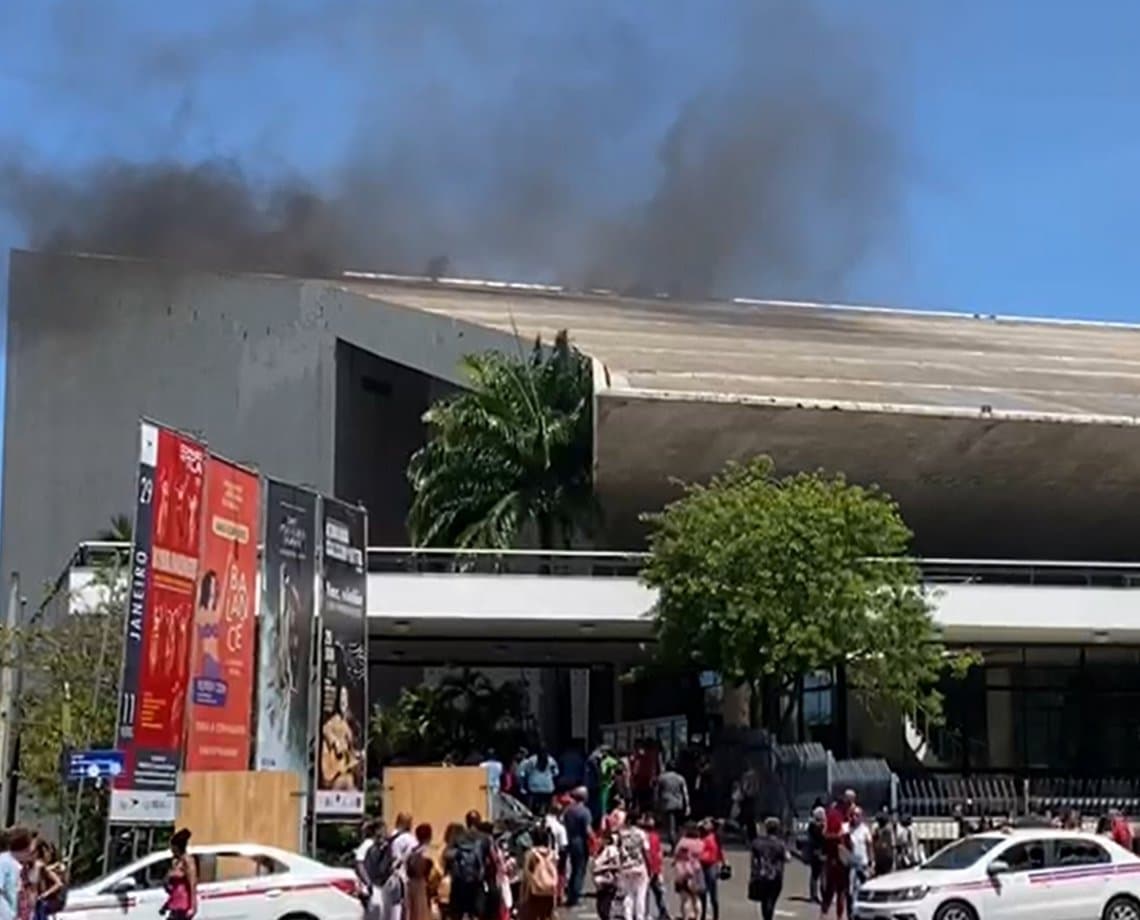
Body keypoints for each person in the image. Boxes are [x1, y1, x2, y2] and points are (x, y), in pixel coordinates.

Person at [444, 813, 492, 920]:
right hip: (477, 881)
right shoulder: (484, 838)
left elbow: (447, 854)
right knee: (476, 912)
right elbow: (491, 860)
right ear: (478, 822)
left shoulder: (457, 837)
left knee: (457, 913)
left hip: (459, 880)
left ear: (467, 821)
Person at [748, 818, 789, 920]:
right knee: (771, 899)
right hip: (776, 875)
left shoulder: (757, 842)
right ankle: (768, 917)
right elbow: (788, 858)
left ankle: (766, 917)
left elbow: (753, 860)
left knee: (764, 900)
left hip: (761, 874)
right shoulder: (780, 844)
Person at [381, 813, 418, 920]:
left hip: (387, 877)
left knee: (388, 908)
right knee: (400, 909)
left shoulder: (390, 837)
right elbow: (414, 856)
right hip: (402, 877)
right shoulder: (408, 839)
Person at [520, 826, 558, 920]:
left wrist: (523, 895)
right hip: (549, 889)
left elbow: (526, 874)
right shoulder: (552, 854)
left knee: (533, 914)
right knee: (546, 915)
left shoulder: (531, 854)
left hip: (534, 890)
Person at [820, 806, 851, 920]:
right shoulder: (843, 821)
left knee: (832, 891)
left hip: (833, 862)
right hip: (840, 862)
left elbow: (824, 836)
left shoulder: (830, 822)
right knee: (840, 892)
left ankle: (825, 915)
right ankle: (838, 917)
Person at [563, 787, 592, 908]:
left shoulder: (568, 811)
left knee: (573, 868)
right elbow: (587, 830)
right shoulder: (584, 812)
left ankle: (570, 893)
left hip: (570, 840)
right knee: (580, 869)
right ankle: (575, 895)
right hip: (581, 842)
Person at [616, 818, 650, 920]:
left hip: (626, 866)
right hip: (639, 866)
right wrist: (649, 866)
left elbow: (618, 850)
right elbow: (646, 851)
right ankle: (640, 917)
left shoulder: (622, 834)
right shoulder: (641, 834)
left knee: (628, 894)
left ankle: (628, 916)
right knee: (641, 894)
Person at [405, 824, 439, 920]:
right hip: (422, 885)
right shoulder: (428, 852)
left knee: (413, 913)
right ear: (429, 836)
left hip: (411, 884)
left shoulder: (412, 851)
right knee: (422, 913)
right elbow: (435, 873)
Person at [163, 828, 197, 920]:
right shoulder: (176, 862)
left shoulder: (188, 861)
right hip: (175, 903)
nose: (171, 849)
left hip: (183, 904)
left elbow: (192, 884)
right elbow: (173, 888)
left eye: (172, 847)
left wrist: (193, 906)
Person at [672, 824, 705, 920]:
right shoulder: (700, 843)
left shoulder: (682, 842)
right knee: (696, 898)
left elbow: (676, 854)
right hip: (696, 871)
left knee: (685, 899)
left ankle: (685, 917)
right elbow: (702, 855)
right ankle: (698, 917)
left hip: (682, 871)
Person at [655, 763, 690, 855]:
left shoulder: (661, 778)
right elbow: (685, 793)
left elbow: (656, 793)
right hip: (679, 804)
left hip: (667, 805)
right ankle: (678, 845)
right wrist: (687, 806)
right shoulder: (680, 778)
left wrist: (656, 805)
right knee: (679, 827)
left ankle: (675, 847)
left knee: (670, 827)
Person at [639, 814, 669, 920]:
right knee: (658, 891)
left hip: (647, 867)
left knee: (648, 892)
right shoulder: (655, 837)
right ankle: (662, 911)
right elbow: (658, 854)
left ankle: (649, 912)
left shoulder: (644, 836)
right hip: (653, 867)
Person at [592, 830, 623, 920]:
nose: (599, 840)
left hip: (608, 882)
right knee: (601, 908)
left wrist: (602, 868)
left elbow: (617, 865)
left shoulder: (611, 850)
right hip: (601, 883)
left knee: (604, 908)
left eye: (601, 839)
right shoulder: (602, 850)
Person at [31, 840, 64, 920]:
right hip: (36, 903)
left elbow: (58, 883)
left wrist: (45, 894)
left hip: (38, 903)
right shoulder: (37, 866)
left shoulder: (40, 866)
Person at [697, 820, 723, 920]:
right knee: (702, 892)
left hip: (712, 865)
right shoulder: (700, 837)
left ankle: (716, 915)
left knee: (713, 893)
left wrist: (723, 862)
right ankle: (703, 914)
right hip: (701, 865)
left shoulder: (715, 837)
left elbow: (719, 850)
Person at [543, 803, 569, 901]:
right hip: (554, 856)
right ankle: (557, 896)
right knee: (556, 877)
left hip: (540, 855)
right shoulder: (560, 828)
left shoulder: (541, 823)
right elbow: (563, 845)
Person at [522, 750, 560, 814]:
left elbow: (526, 772)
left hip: (534, 787)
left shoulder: (531, 760)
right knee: (545, 807)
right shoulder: (551, 760)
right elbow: (556, 773)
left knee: (531, 808)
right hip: (548, 787)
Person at [847, 809, 872, 904]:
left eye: (857, 815)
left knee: (865, 886)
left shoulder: (865, 830)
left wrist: (871, 862)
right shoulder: (848, 828)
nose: (854, 818)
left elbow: (870, 846)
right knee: (851, 889)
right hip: (852, 864)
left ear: (861, 817)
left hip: (863, 863)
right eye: (853, 815)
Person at [806, 806, 826, 903]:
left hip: (814, 852)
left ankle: (814, 896)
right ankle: (821, 896)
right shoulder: (818, 827)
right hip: (820, 852)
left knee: (815, 875)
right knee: (821, 874)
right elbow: (823, 837)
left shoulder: (811, 825)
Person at [871, 813, 895, 878]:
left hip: (887, 859)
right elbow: (873, 844)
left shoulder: (888, 831)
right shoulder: (876, 830)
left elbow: (892, 846)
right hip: (879, 859)